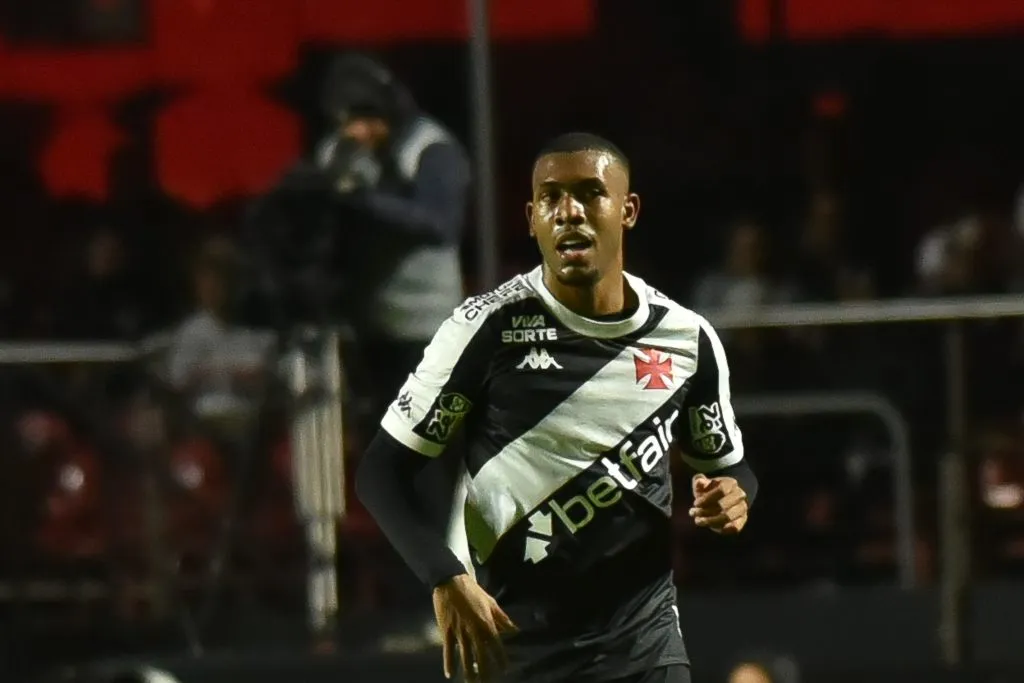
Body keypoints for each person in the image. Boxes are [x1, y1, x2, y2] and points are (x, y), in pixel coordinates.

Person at [356, 132, 758, 683]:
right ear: (530, 218)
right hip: (514, 650)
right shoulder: (484, 330)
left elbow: (728, 469)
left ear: (628, 209)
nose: (569, 211)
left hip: (644, 651)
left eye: (590, 193)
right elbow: (381, 471)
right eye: (550, 198)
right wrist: (444, 576)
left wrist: (736, 496)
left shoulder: (688, 339)